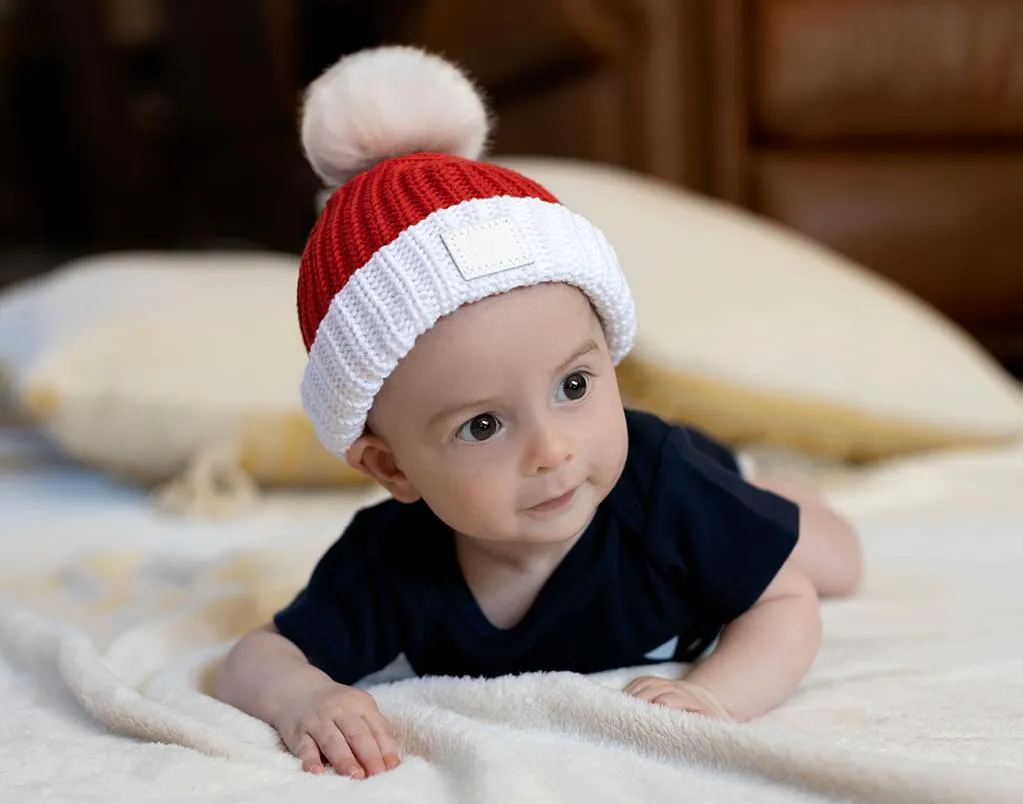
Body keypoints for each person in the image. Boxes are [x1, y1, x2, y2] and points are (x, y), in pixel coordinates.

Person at [214, 45, 862, 782]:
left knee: (833, 562)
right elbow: (255, 657)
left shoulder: (663, 490)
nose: (552, 449)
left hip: (694, 469)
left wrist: (712, 698)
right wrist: (304, 697)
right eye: (482, 425)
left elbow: (786, 605)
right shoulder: (390, 563)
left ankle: (770, 491)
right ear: (391, 466)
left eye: (574, 385)